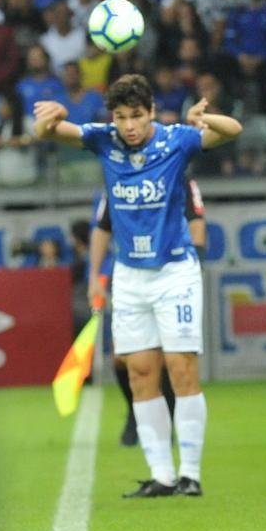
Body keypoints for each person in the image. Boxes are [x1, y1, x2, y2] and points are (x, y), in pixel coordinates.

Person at [34, 76, 241, 499]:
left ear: (150, 112)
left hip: (173, 271)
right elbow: (49, 132)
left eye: (136, 116)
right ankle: (162, 474)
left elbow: (231, 132)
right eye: (121, 117)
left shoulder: (176, 140)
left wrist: (204, 118)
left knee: (182, 370)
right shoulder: (103, 139)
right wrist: (48, 120)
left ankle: (192, 474)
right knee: (141, 373)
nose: (128, 126)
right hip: (129, 275)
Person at [90, 176, 207, 446]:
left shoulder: (178, 173)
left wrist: (195, 264)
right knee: (123, 357)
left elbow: (197, 220)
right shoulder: (118, 175)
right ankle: (135, 410)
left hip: (172, 278)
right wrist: (94, 275)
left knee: (171, 357)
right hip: (132, 278)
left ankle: (168, 418)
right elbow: (102, 226)